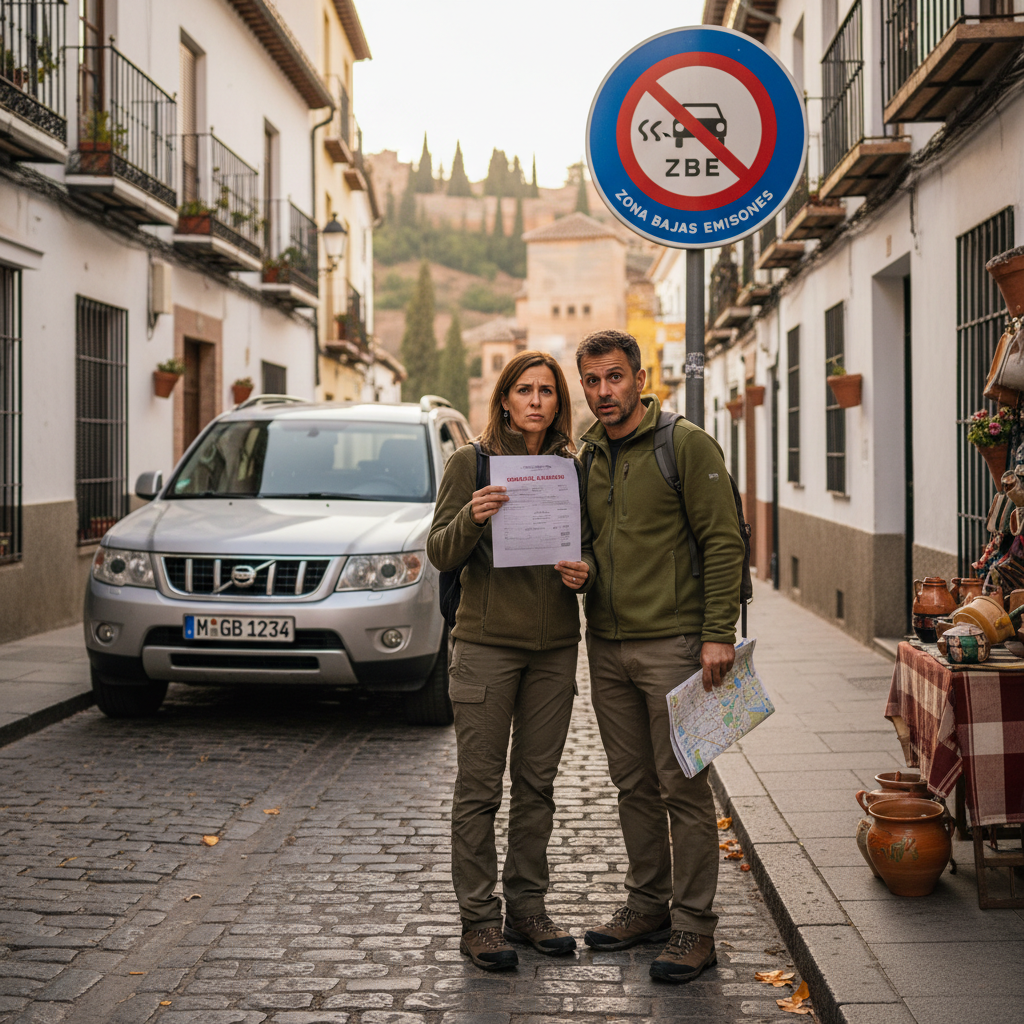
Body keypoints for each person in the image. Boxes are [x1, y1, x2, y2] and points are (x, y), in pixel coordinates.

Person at [574, 329, 744, 983]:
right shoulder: (587, 454)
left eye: (614, 377)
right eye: (591, 381)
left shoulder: (685, 443)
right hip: (607, 645)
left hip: (676, 645)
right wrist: (581, 568)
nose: (603, 392)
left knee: (684, 786)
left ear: (640, 379)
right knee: (633, 785)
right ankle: (647, 906)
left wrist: (716, 633)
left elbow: (722, 540)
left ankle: (695, 928)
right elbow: (589, 541)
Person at [427, 350, 596, 971]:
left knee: (537, 786)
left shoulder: (572, 468)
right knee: (478, 788)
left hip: (554, 652)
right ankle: (479, 920)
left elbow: (593, 548)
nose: (534, 400)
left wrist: (586, 573)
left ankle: (528, 909)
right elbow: (440, 553)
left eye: (546, 391)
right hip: (485, 649)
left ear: (558, 403)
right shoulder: (469, 463)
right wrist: (473, 516)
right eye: (523, 390)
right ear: (504, 398)